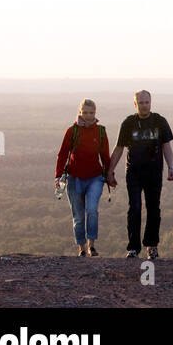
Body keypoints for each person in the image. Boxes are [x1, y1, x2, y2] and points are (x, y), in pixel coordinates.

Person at [107, 90, 173, 260]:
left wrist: (171, 166)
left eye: (146, 102)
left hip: (154, 172)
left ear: (150, 103)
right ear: (135, 104)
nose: (144, 105)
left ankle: (152, 246)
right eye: (141, 102)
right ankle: (133, 248)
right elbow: (119, 148)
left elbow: (166, 146)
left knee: (153, 209)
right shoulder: (129, 123)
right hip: (134, 172)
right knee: (135, 208)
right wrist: (110, 171)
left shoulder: (159, 121)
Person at [54, 99, 112, 257]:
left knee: (92, 210)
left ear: (95, 113)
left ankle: (91, 245)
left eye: (91, 113)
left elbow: (105, 156)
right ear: (80, 112)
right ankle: (81, 248)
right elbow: (62, 154)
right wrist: (58, 176)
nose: (88, 116)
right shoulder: (72, 131)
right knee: (78, 216)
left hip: (95, 177)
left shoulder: (100, 131)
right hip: (74, 178)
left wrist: (110, 175)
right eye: (85, 112)